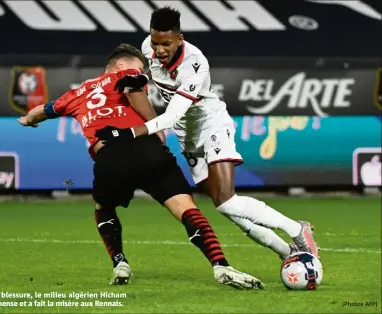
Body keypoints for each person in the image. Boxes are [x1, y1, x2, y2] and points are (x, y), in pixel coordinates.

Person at [18, 44, 264, 289]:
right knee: (184, 207)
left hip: (109, 154)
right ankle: (221, 265)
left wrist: (28, 119)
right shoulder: (125, 75)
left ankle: (119, 262)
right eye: (139, 66)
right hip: (146, 148)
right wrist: (155, 125)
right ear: (122, 65)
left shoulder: (77, 93)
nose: (142, 71)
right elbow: (135, 89)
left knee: (104, 207)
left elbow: (43, 111)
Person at [95, 7, 319, 261]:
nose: (159, 50)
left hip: (210, 124)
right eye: (156, 43)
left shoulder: (195, 63)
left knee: (226, 201)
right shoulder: (148, 47)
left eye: (166, 44)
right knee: (227, 209)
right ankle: (287, 252)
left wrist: (128, 133)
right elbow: (146, 88)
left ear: (180, 38)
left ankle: (297, 229)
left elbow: (171, 116)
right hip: (188, 138)